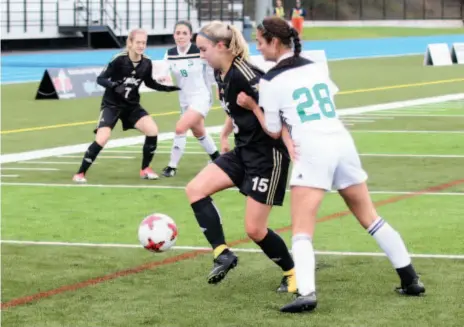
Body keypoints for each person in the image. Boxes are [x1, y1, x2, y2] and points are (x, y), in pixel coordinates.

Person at [237, 16, 426, 313]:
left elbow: (273, 130)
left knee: (301, 229)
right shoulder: (314, 64)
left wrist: (252, 107)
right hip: (341, 141)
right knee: (371, 218)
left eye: (260, 42)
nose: (257, 48)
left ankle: (306, 293)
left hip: (312, 148)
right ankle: (410, 278)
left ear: (274, 42)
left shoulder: (270, 80)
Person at [185, 20, 297, 293]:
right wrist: (224, 134)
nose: (201, 56)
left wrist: (293, 149)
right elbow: (232, 109)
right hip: (243, 150)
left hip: (268, 156)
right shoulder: (219, 73)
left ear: (221, 46)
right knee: (195, 189)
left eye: (203, 50)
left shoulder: (248, 76)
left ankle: (293, 273)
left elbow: (277, 121)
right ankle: (223, 253)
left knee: (255, 230)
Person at [72, 29, 180, 183]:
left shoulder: (147, 62)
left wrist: (166, 88)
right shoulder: (119, 60)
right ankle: (80, 173)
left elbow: (149, 82)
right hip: (112, 105)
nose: (141, 46)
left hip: (132, 106)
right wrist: (114, 85)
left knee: (152, 130)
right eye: (138, 42)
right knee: (103, 138)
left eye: (144, 43)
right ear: (130, 43)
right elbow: (101, 79)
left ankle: (145, 169)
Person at [159, 20, 220, 177]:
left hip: (201, 97)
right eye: (178, 33)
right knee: (198, 131)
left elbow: (216, 68)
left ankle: (172, 166)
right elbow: (164, 73)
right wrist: (164, 79)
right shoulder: (170, 54)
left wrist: (220, 86)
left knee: (180, 128)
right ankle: (218, 159)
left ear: (190, 36)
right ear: (174, 35)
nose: (181, 36)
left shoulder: (199, 51)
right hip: (184, 100)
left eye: (184, 33)